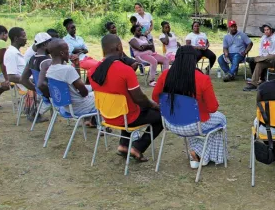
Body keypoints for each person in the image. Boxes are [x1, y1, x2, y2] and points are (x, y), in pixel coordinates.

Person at [89, 34, 163, 162]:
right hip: (126, 117)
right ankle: (138, 147)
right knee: (161, 116)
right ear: (119, 47)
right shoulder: (125, 70)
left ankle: (124, 145)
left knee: (132, 107)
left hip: (107, 115)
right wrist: (154, 105)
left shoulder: (93, 70)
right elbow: (139, 98)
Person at [152, 46, 228, 167]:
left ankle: (197, 157)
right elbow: (213, 108)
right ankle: (200, 153)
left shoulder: (165, 74)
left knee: (200, 119)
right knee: (221, 119)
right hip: (193, 125)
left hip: (170, 123)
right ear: (194, 60)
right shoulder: (202, 79)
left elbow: (155, 98)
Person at [39, 39, 96, 118]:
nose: (69, 53)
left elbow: (76, 84)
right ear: (62, 53)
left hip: (67, 107)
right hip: (80, 106)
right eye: (68, 50)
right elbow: (84, 93)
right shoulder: (68, 69)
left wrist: (76, 65)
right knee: (103, 95)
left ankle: (93, 121)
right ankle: (100, 125)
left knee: (93, 89)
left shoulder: (50, 70)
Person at [20, 32, 53, 122]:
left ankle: (36, 112)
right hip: (50, 94)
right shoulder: (47, 61)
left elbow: (23, 79)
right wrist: (49, 96)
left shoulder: (32, 59)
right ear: (45, 44)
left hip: (40, 93)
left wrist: (36, 89)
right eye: (51, 42)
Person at [243, 23, 275, 91]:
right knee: (259, 63)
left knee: (267, 57)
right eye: (265, 30)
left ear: (271, 30)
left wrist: (267, 57)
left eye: (268, 29)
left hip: (272, 59)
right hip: (263, 58)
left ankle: (255, 59)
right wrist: (262, 57)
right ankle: (254, 83)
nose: (266, 31)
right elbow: (260, 48)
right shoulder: (263, 37)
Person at [3, 27, 28, 91]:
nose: (26, 38)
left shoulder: (15, 52)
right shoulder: (11, 53)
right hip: (27, 88)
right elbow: (12, 77)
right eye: (24, 36)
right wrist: (33, 81)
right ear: (16, 38)